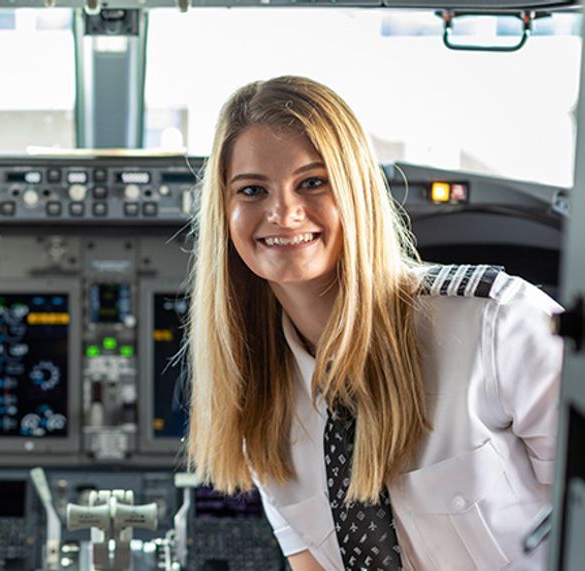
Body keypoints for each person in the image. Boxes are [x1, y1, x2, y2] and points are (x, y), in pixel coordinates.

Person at [185, 76, 563, 570]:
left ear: (356, 189)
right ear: (225, 212)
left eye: (313, 182)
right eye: (252, 190)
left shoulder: (499, 325)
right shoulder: (258, 394)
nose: (283, 212)